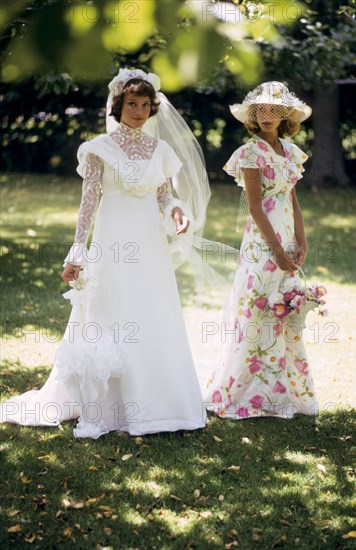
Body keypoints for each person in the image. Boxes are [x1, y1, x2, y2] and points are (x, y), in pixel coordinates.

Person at [0, 68, 210, 438]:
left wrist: (176, 211)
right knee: (112, 311)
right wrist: (78, 249)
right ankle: (109, 407)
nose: (139, 111)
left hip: (148, 247)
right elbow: (89, 201)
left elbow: (163, 196)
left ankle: (162, 405)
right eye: (133, 103)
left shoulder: (159, 150)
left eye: (146, 104)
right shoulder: (100, 148)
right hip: (112, 245)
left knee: (151, 312)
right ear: (118, 105)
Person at [205, 81, 318, 419]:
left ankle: (281, 391)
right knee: (258, 308)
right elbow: (255, 208)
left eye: (273, 109)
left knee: (284, 312)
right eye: (260, 110)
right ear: (253, 115)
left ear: (285, 114)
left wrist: (301, 240)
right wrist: (276, 251)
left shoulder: (290, 151)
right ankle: (246, 392)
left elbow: (293, 200)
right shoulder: (250, 153)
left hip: (286, 236)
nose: (267, 116)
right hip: (261, 243)